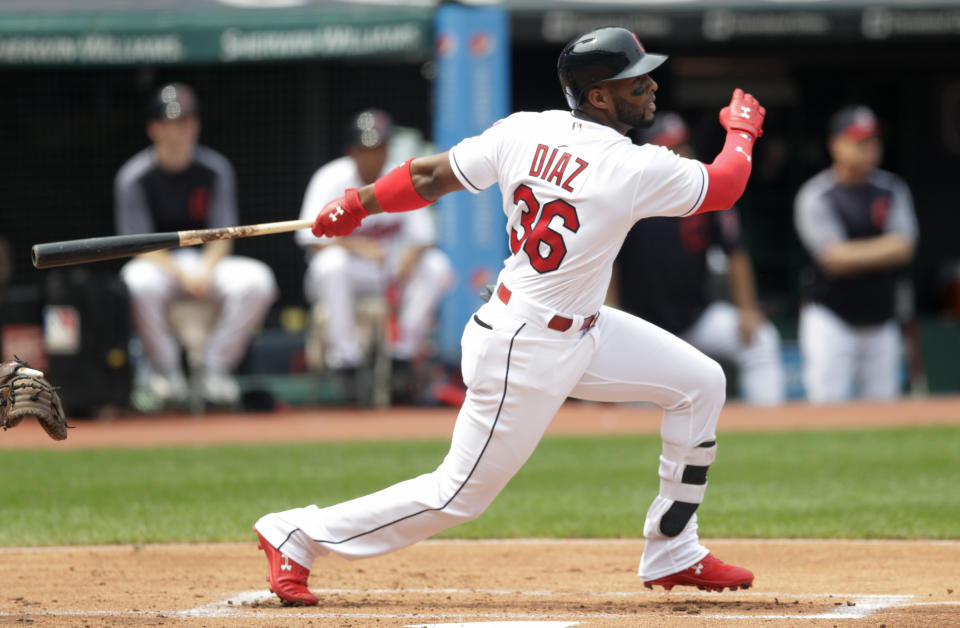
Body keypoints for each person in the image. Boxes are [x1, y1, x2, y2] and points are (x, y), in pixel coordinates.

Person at [254, 27, 765, 605]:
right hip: (524, 347)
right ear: (598, 96)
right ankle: (296, 533)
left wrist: (357, 203)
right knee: (456, 496)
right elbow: (726, 184)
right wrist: (743, 131)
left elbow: (426, 177)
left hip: (581, 327)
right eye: (636, 79)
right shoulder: (631, 167)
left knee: (700, 383)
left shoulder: (526, 128)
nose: (651, 86)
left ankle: (674, 547)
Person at [114, 82, 278, 407]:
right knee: (134, 281)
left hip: (206, 263)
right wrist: (181, 274)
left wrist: (204, 271)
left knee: (258, 280)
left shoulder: (214, 168)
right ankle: (166, 370)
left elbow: (224, 236)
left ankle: (215, 367)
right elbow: (138, 245)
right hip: (160, 265)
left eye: (189, 120)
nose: (184, 129)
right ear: (155, 128)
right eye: (174, 121)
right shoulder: (134, 176)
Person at [615, 112, 785, 405]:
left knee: (761, 339)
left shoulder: (705, 194)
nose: (680, 155)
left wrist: (746, 308)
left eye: (683, 146)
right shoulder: (625, 196)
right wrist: (611, 313)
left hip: (697, 319)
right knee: (634, 408)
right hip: (641, 328)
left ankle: (767, 424)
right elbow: (608, 262)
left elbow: (736, 252)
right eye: (669, 149)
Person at [295, 109, 454, 397]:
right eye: (365, 149)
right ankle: (346, 363)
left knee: (436, 266)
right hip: (346, 272)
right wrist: (356, 246)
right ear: (351, 151)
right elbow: (310, 239)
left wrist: (409, 258)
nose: (372, 156)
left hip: (388, 268)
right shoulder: (330, 177)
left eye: (379, 148)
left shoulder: (400, 176)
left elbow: (422, 237)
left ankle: (401, 357)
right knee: (330, 264)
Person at [794, 105, 918, 402]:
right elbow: (833, 259)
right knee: (826, 406)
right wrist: (884, 249)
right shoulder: (818, 193)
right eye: (859, 141)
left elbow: (906, 247)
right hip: (831, 317)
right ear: (835, 145)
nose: (869, 148)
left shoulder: (891, 188)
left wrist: (857, 253)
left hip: (881, 318)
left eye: (872, 140)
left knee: (884, 411)